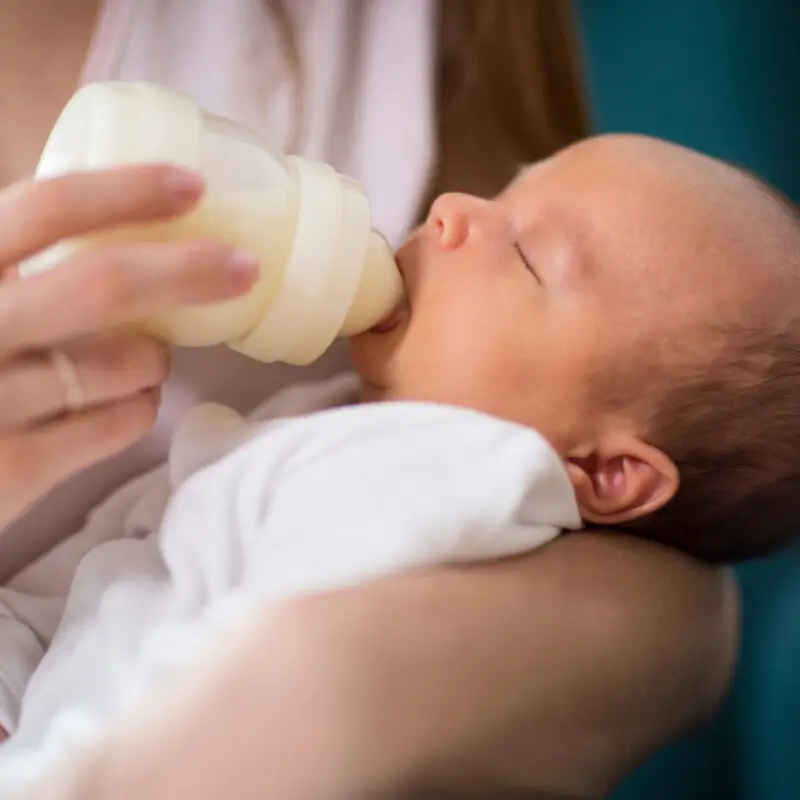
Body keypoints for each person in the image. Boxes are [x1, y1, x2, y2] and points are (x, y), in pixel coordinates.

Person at [0, 2, 738, 797]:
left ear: (609, 473)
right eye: (507, 194)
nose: (453, 210)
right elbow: (83, 580)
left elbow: (264, 676)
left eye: (526, 254)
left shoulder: (478, 479)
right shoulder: (301, 428)